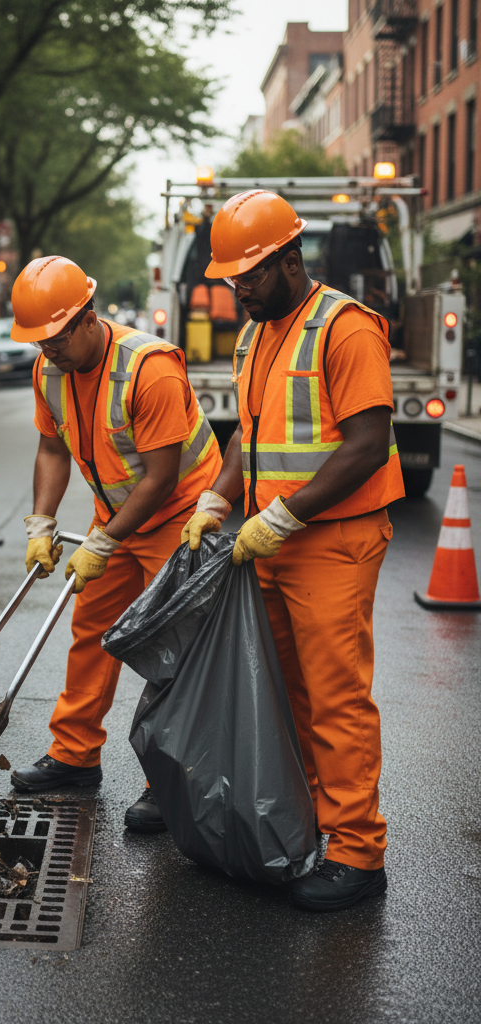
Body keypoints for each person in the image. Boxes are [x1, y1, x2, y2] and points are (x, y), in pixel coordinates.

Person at [183, 189, 404, 911]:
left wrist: (282, 516)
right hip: (272, 538)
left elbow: (369, 443)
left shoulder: (345, 328)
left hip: (331, 540)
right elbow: (250, 434)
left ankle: (358, 854)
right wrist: (218, 496)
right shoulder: (257, 334)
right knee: (289, 694)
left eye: (248, 274)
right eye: (231, 277)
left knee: (335, 697)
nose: (237, 288)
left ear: (287, 258)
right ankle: (316, 824)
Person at [6, 256, 222, 833]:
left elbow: (160, 477)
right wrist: (41, 523)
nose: (47, 350)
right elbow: (52, 449)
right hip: (117, 520)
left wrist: (102, 541)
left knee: (172, 652)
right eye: (38, 341)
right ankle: (75, 755)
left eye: (55, 337)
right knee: (91, 633)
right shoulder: (48, 371)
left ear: (87, 317)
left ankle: (166, 781)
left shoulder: (150, 369)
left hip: (181, 521)